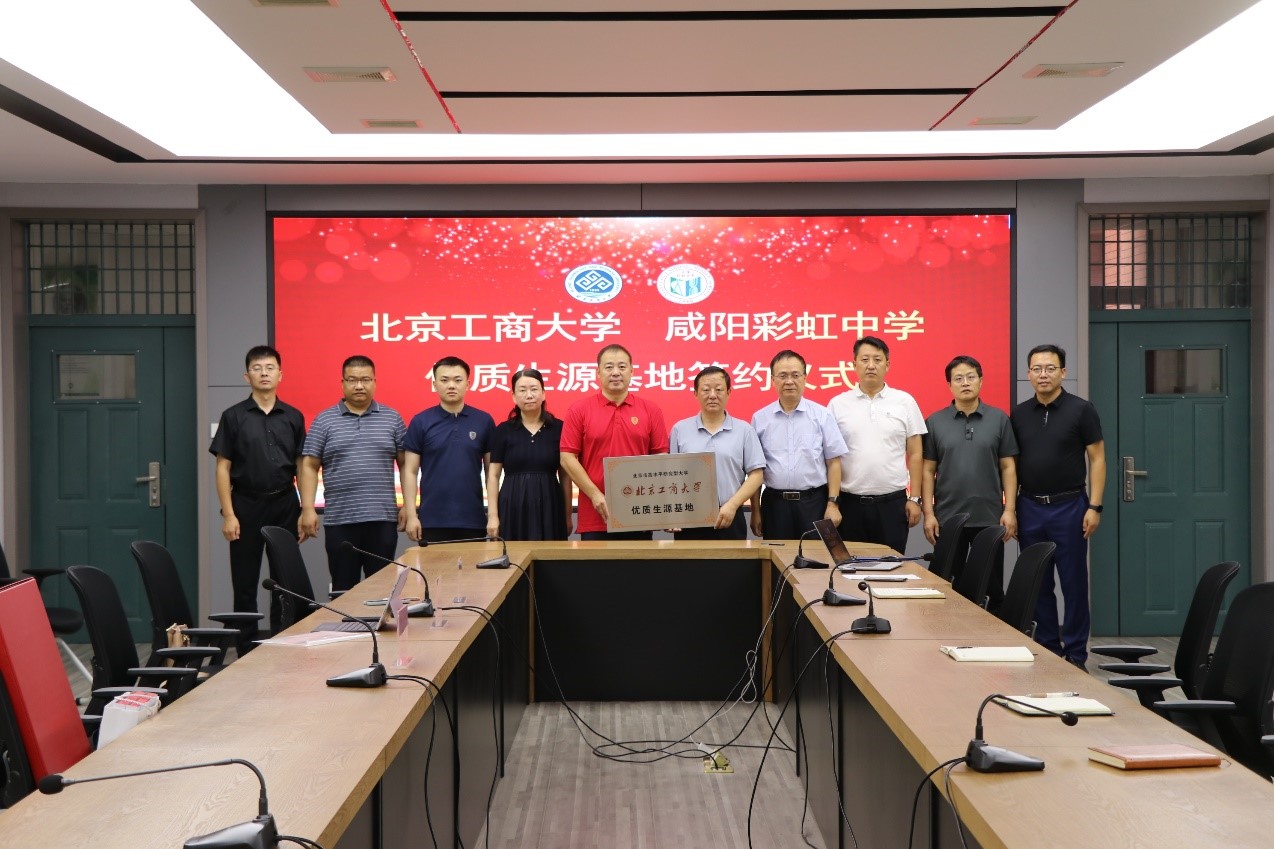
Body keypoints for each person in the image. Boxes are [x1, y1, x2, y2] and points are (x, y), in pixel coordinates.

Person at [1011, 344, 1106, 671]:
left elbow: (1098, 459)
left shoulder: (1081, 410)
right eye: (1037, 369)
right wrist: (1011, 507)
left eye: (1050, 368)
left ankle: (1076, 655)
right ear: (1028, 374)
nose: (1043, 375)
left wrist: (1095, 506)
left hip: (1070, 507)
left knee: (1073, 583)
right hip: (1030, 506)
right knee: (1038, 583)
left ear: (1063, 372)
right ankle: (1049, 649)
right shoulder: (1019, 414)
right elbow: (1011, 464)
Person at [209, 345, 306, 648]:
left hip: (285, 504)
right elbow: (223, 468)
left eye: (270, 368)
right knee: (245, 584)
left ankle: (282, 645)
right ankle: (245, 651)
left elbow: (302, 466)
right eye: (257, 368)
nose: (264, 373)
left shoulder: (293, 416)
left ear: (280, 374)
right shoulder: (233, 416)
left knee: (284, 583)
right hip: (245, 505)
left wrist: (305, 509)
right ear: (246, 376)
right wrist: (228, 514)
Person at [298, 355, 407, 593]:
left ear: (375, 382)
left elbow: (406, 465)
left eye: (365, 380)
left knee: (382, 591)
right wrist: (307, 509)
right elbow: (309, 466)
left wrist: (409, 505)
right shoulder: (324, 420)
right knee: (343, 590)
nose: (359, 386)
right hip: (340, 520)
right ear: (342, 383)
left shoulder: (392, 418)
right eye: (352, 380)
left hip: (382, 519)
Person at [921, 355, 1018, 608]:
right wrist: (928, 513)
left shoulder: (999, 419)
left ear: (981, 381)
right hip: (948, 519)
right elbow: (927, 470)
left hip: (989, 517)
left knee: (991, 588)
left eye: (971, 377)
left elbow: (1008, 467)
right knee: (948, 587)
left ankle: (993, 632)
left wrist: (1009, 510)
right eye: (958, 378)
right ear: (949, 385)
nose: (965, 383)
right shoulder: (935, 422)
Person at [827, 336, 926, 553]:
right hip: (850, 505)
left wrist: (915, 498)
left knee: (893, 566)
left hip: (893, 505)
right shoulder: (837, 404)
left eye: (877, 360)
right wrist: (832, 501)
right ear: (854, 364)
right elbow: (832, 457)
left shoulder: (905, 402)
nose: (871, 365)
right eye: (865, 360)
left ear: (887, 365)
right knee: (850, 567)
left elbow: (916, 453)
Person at [560, 344, 669, 541]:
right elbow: (567, 458)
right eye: (609, 367)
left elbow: (661, 457)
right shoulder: (579, 410)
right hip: (596, 513)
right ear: (598, 372)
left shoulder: (651, 410)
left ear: (631, 371)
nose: (616, 372)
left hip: (639, 513)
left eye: (622, 367)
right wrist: (594, 494)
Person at [749, 349, 847, 541]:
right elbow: (755, 469)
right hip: (774, 505)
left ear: (804, 378)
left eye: (795, 375)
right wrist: (756, 511)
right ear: (773, 380)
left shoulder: (822, 415)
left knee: (814, 557)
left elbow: (834, 462)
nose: (789, 381)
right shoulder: (760, 419)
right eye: (782, 376)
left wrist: (833, 503)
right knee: (777, 557)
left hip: (814, 503)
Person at [401, 356, 495, 543]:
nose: (451, 385)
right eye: (444, 380)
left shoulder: (484, 421)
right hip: (432, 521)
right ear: (434, 384)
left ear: (468, 384)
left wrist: (493, 515)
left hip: (473, 520)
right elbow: (410, 471)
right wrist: (412, 515)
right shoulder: (420, 421)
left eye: (457, 380)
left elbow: (491, 473)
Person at [669, 366, 766, 540]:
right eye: (706, 390)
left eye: (719, 389)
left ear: (729, 392)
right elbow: (671, 475)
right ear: (695, 393)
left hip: (730, 515)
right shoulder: (680, 429)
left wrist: (732, 505)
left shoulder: (744, 430)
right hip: (689, 517)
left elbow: (756, 474)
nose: (712, 395)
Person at [485, 368, 573, 541]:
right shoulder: (503, 430)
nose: (529, 395)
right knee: (514, 553)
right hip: (512, 503)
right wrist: (493, 516)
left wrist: (568, 514)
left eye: (534, 389)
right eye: (522, 390)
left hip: (550, 504)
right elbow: (493, 475)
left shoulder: (559, 428)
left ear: (544, 393)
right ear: (513, 396)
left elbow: (565, 476)